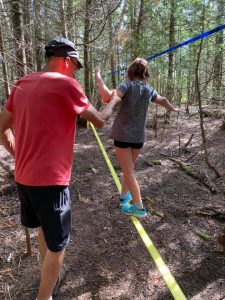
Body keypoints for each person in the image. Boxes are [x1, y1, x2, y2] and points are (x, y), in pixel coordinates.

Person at [0, 37, 120, 300]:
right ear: (66, 61)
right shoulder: (67, 84)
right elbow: (99, 121)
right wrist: (113, 101)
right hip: (51, 182)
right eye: (76, 66)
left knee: (45, 230)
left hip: (24, 178)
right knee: (58, 246)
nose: (75, 71)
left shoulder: (21, 83)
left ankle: (50, 282)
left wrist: (19, 156)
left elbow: (2, 128)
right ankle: (44, 297)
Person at [95, 58, 180, 218]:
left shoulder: (126, 85)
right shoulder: (148, 89)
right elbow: (163, 100)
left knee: (128, 171)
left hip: (122, 135)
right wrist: (172, 108)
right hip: (138, 137)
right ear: (144, 73)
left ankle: (139, 208)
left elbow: (111, 97)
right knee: (129, 170)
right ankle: (123, 198)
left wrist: (99, 78)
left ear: (131, 71)